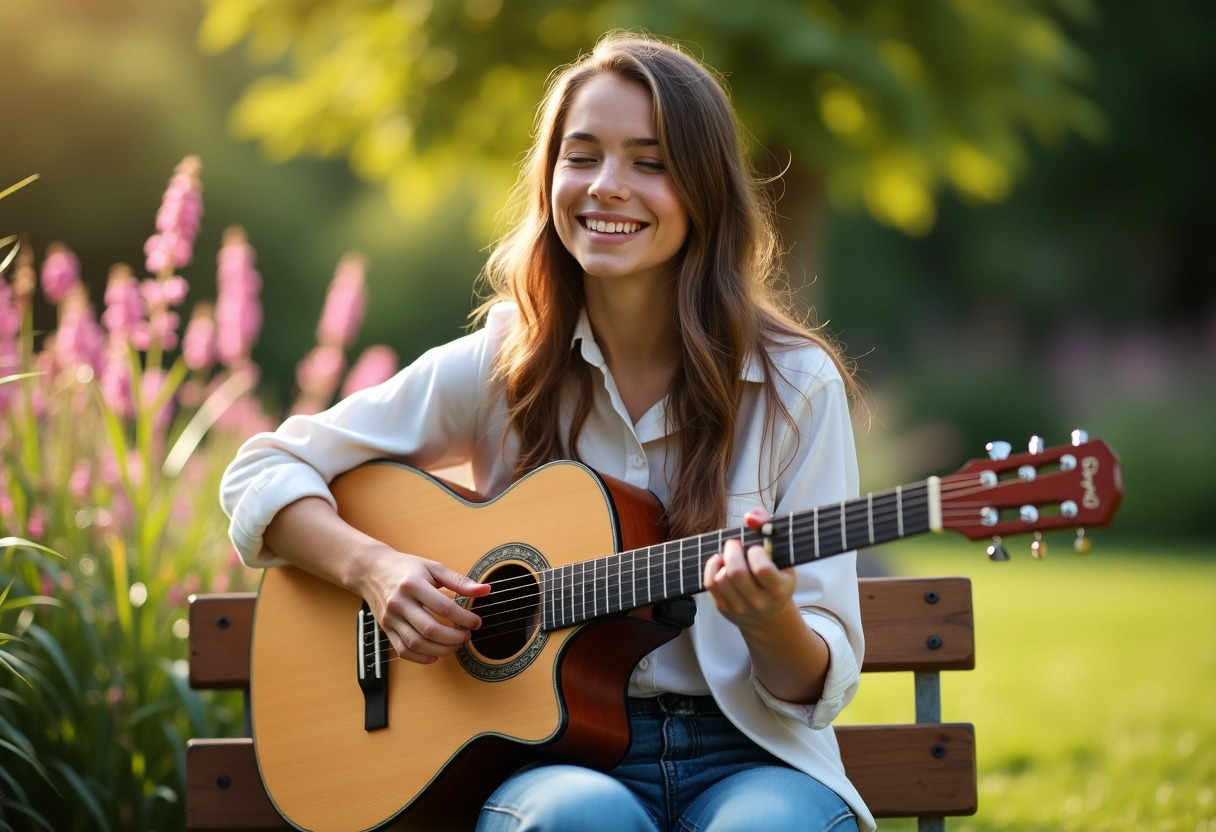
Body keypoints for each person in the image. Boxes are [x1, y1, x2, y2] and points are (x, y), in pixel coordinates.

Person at [220, 32, 874, 832]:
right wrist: (376, 570)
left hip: (753, 755)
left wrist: (769, 619)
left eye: (650, 161)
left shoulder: (793, 386)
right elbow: (261, 469)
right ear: (550, 177)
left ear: (706, 191)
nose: (607, 186)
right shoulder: (506, 358)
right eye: (583, 155)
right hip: (556, 761)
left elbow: (817, 686)